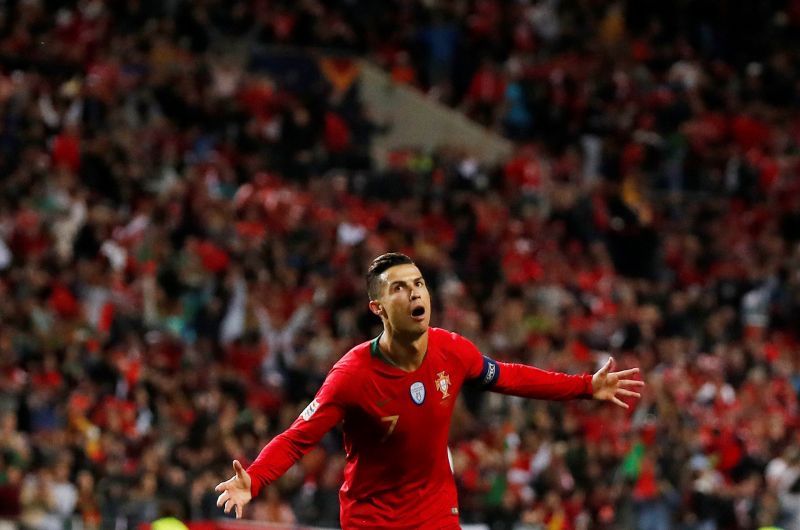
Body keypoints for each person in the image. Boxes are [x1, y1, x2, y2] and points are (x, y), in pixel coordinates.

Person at [215, 253, 644, 528]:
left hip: (435, 511)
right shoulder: (352, 376)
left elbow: (510, 377)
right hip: (372, 518)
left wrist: (585, 386)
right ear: (378, 308)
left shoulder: (452, 351)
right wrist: (253, 479)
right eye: (398, 288)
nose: (414, 292)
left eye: (418, 283)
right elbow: (297, 438)